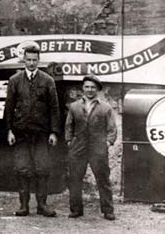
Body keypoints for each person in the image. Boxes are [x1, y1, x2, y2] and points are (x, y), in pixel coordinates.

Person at [4, 44, 60, 217]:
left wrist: (54, 132)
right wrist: (9, 130)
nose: (31, 63)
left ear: (39, 60)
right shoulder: (15, 80)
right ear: (24, 60)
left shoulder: (48, 80)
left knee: (42, 169)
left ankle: (42, 205)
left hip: (41, 133)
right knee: (23, 168)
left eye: (34, 60)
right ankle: (24, 206)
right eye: (28, 60)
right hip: (21, 133)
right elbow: (9, 107)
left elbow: (54, 108)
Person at [65, 75, 116, 221]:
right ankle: (76, 210)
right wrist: (69, 141)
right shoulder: (74, 106)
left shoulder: (105, 108)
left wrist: (107, 143)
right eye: (87, 87)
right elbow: (69, 125)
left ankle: (108, 210)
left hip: (98, 148)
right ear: (83, 88)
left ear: (98, 90)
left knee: (103, 179)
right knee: (75, 178)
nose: (89, 90)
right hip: (78, 147)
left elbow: (112, 128)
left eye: (93, 87)